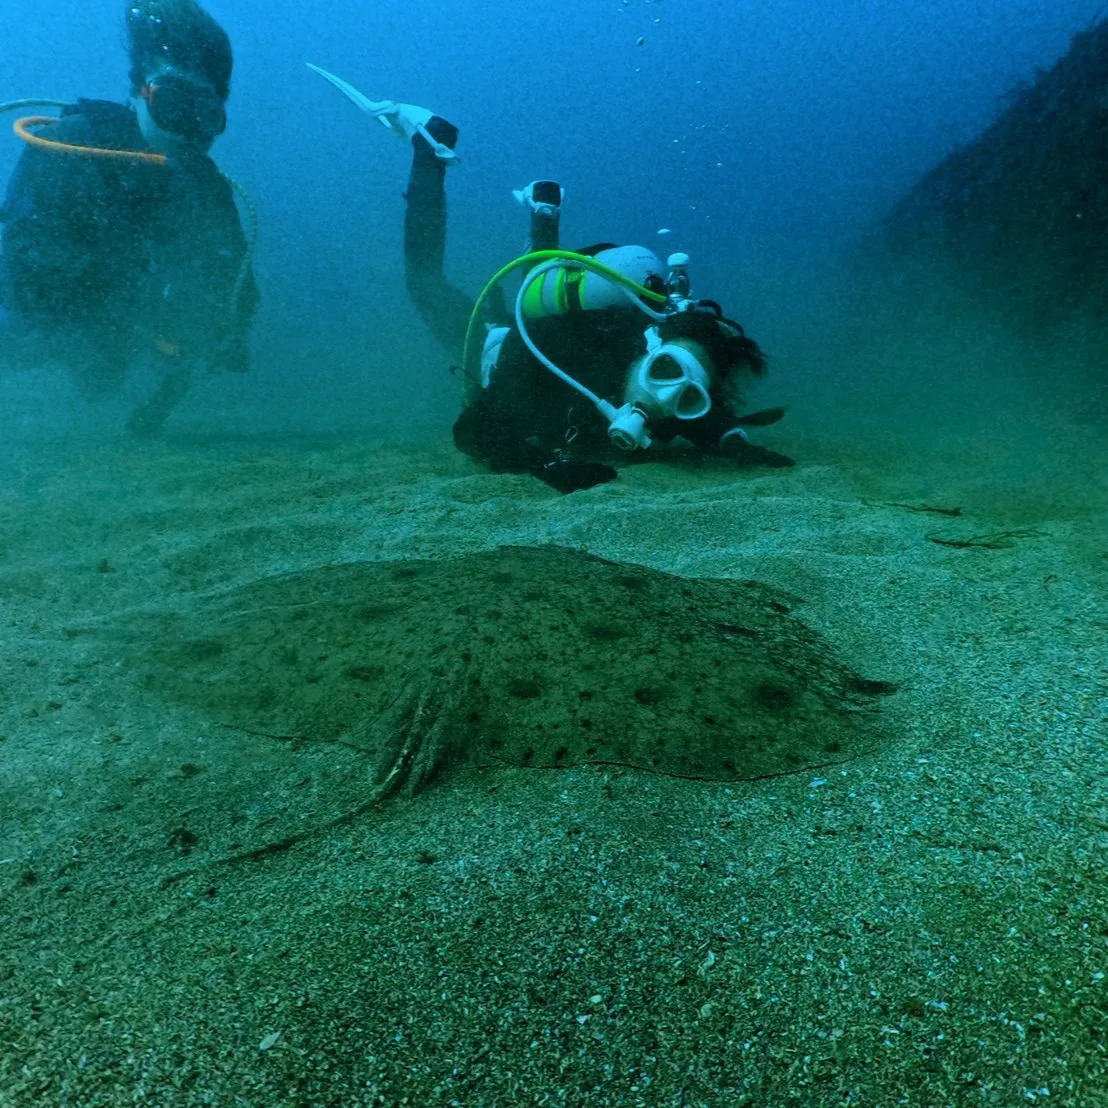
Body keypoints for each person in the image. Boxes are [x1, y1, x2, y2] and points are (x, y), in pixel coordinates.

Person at [309, 66, 793, 493]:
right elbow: (476, 430)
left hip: (543, 330)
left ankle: (544, 213)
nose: (662, 398)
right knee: (425, 281)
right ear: (652, 344)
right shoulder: (564, 352)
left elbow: (705, 418)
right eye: (664, 370)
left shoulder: (678, 384)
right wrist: (544, 465)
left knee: (534, 286)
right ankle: (427, 149)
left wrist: (733, 444)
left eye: (687, 396)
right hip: (496, 346)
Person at [0, 0, 257, 437]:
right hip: (49, 318)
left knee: (102, 377)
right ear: (140, 90)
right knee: (58, 355)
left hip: (118, 326)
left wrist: (216, 330)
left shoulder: (204, 185)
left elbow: (233, 276)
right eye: (175, 106)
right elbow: (25, 275)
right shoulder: (69, 146)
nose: (188, 129)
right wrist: (134, 318)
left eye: (206, 115)